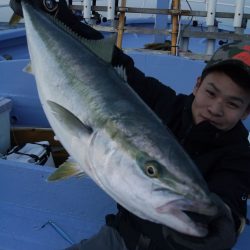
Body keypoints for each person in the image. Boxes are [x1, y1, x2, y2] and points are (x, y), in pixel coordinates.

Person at [10, 1, 250, 249]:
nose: (215, 108)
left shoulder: (239, 154)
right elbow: (112, 63)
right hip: (121, 237)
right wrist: (52, 10)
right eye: (211, 92)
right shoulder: (165, 103)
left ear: (246, 112)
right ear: (197, 85)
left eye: (233, 104)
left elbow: (229, 199)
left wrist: (224, 224)